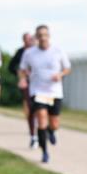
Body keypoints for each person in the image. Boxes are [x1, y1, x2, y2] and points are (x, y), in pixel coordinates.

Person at [19, 25, 71, 163]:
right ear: (36, 37)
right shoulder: (29, 53)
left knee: (54, 122)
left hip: (55, 92)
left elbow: (67, 68)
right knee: (41, 118)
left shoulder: (58, 51)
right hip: (38, 91)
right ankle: (44, 152)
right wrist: (23, 78)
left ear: (49, 36)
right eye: (39, 35)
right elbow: (22, 69)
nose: (42, 38)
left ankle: (52, 130)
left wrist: (60, 75)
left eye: (44, 35)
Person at [8, 32, 38, 148]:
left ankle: (42, 128)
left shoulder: (40, 52)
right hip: (26, 82)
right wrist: (20, 76)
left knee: (41, 107)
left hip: (40, 84)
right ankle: (33, 135)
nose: (29, 41)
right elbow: (13, 67)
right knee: (29, 106)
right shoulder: (22, 53)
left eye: (30, 39)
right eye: (27, 39)